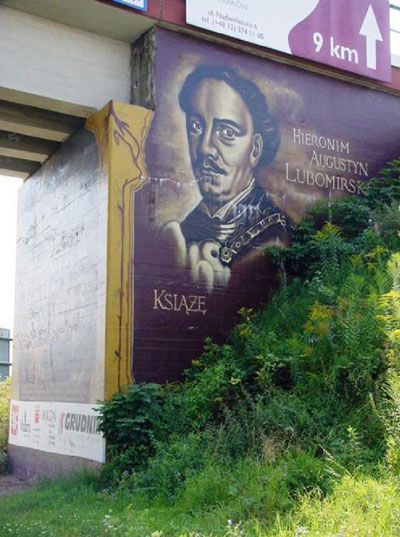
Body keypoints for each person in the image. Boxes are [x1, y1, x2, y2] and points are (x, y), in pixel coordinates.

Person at [162, 65, 289, 292]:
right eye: (196, 126)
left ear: (255, 150)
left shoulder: (277, 237)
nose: (204, 148)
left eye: (227, 132)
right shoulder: (182, 231)